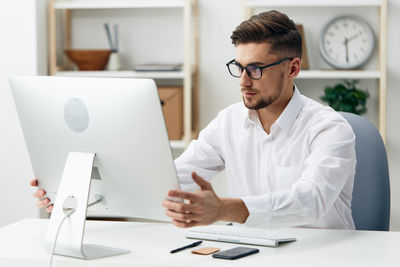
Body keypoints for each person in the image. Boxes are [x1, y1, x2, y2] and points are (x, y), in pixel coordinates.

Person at [32, 10, 356, 230]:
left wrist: (224, 210)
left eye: (255, 69)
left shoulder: (329, 129)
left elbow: (312, 200)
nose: (243, 80)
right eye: (238, 67)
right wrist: (77, 195)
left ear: (293, 68)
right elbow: (172, 181)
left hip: (323, 256)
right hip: (253, 253)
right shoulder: (229, 122)